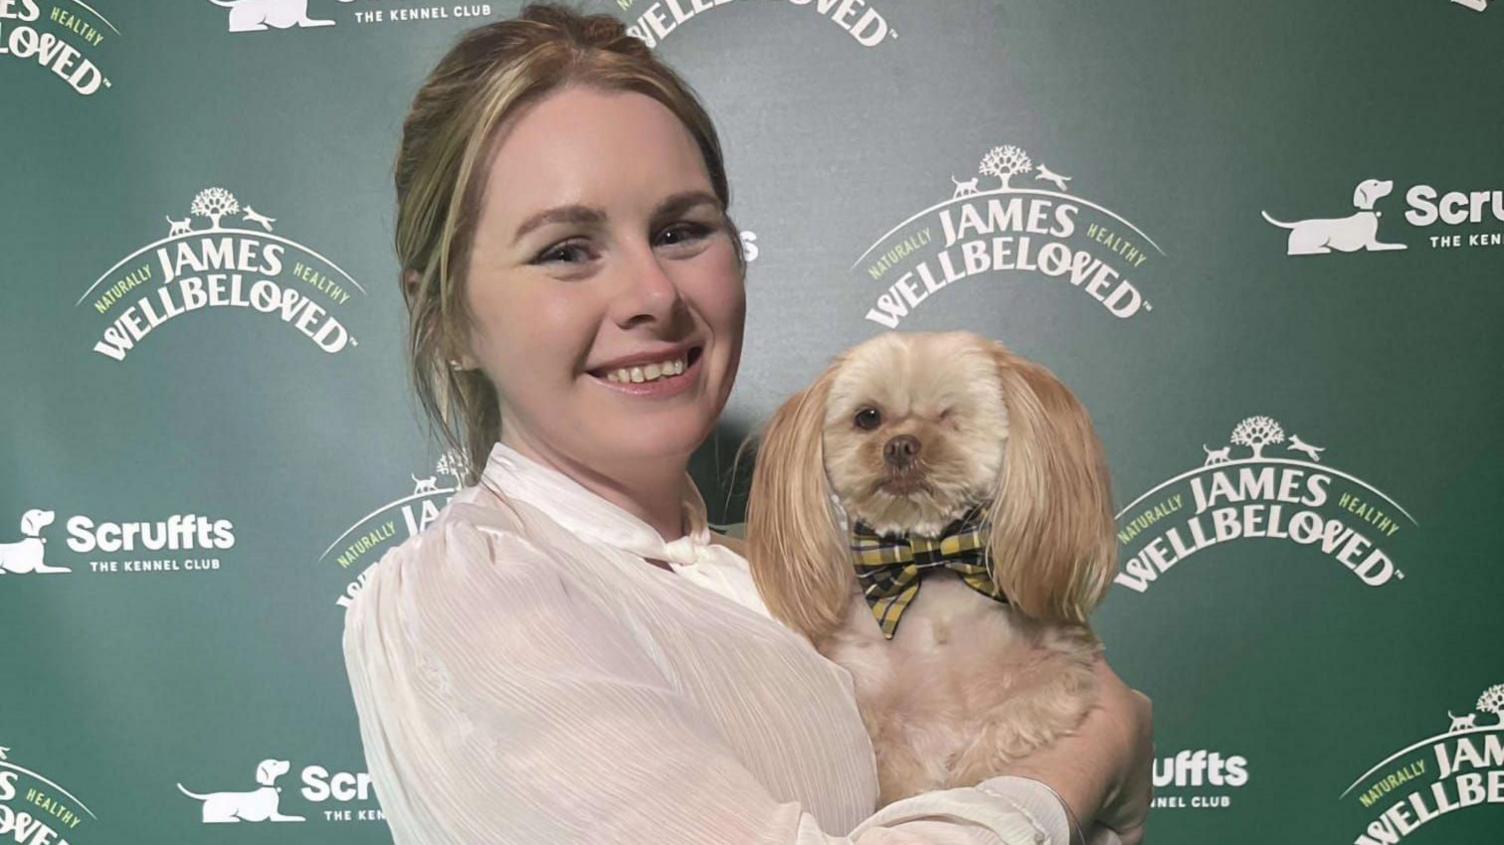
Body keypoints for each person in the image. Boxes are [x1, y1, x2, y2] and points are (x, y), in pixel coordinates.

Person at [341, 5, 1153, 844]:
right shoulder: (463, 593)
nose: (655, 294)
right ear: (443, 318)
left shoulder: (784, 578)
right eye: (567, 250)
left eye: (681, 230)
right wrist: (1095, 746)